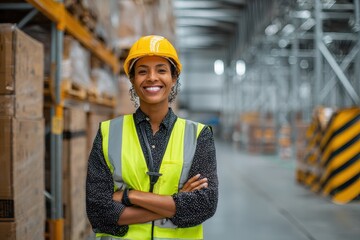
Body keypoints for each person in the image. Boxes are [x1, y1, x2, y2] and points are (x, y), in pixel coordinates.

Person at [86, 35, 218, 240]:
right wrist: (177, 202)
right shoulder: (108, 132)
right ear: (132, 79)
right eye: (142, 71)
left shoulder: (199, 135)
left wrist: (130, 196)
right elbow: (98, 211)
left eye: (161, 70)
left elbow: (204, 206)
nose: (152, 78)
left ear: (174, 78)